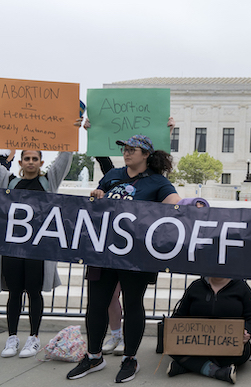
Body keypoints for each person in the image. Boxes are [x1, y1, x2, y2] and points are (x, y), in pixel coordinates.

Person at [67, 134, 182, 383]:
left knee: (133, 305)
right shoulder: (112, 175)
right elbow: (98, 197)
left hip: (135, 258)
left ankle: (130, 359)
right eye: (125, 149)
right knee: (96, 304)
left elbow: (175, 205)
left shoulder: (157, 182)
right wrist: (97, 193)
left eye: (133, 149)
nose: (127, 153)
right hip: (102, 252)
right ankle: (94, 356)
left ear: (146, 155)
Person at [0, 132, 79, 358]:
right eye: (27, 159)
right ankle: (12, 338)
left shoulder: (48, 182)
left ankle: (33, 338)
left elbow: (65, 157)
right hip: (12, 249)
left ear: (41, 162)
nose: (31, 162)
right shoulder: (9, 181)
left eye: (35, 159)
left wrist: (71, 129)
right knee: (14, 293)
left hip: (38, 250)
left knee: (34, 292)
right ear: (20, 162)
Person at [167, 276, 251, 384]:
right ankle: (218, 372)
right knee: (171, 346)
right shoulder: (195, 286)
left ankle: (189, 365)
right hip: (196, 345)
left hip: (228, 346)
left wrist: (246, 331)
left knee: (244, 351)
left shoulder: (242, 287)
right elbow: (179, 316)